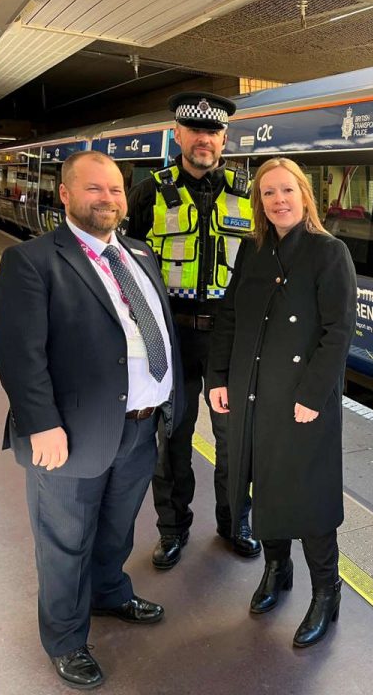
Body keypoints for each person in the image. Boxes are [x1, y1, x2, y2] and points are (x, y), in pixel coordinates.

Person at [0, 150, 184, 689]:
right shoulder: (32, 260)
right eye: (95, 188)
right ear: (67, 195)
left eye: (117, 189)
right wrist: (39, 423)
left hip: (140, 426)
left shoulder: (140, 254)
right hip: (70, 433)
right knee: (65, 541)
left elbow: (158, 334)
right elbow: (18, 352)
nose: (109, 199)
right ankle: (65, 638)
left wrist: (173, 403)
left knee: (118, 527)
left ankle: (109, 593)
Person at [208, 157, 357, 647]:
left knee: (308, 496)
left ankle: (326, 591)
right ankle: (276, 571)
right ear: (259, 203)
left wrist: (313, 395)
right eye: (268, 193)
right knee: (263, 483)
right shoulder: (252, 252)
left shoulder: (328, 252)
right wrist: (219, 377)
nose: (278, 200)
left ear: (304, 195)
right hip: (254, 393)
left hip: (303, 401)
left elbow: (338, 333)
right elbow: (229, 316)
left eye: (286, 190)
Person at [125, 91, 260, 569]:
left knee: (233, 435)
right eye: (195, 131)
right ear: (177, 135)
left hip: (230, 338)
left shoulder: (249, 196)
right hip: (172, 336)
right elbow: (127, 268)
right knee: (173, 437)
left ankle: (234, 522)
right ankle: (172, 528)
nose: (204, 140)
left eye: (213, 132)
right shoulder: (148, 193)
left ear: (224, 138)